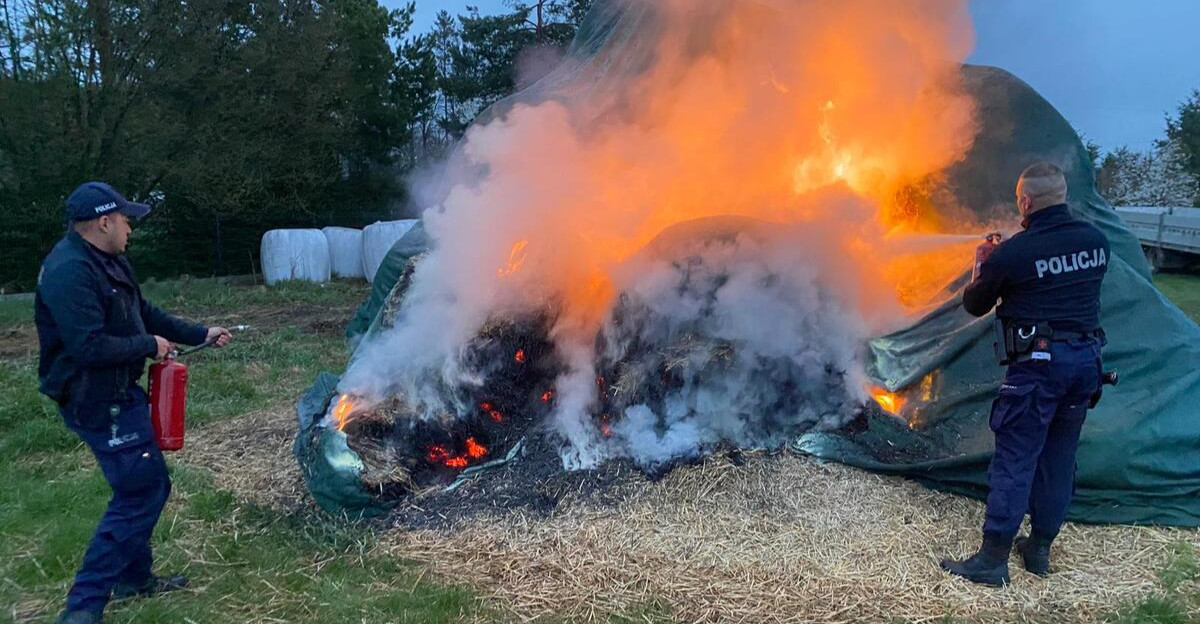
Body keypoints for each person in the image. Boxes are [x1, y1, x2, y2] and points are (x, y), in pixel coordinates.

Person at [35, 182, 234, 624]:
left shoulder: (109, 261)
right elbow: (88, 347)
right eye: (126, 219)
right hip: (93, 398)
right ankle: (83, 607)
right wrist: (149, 345)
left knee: (142, 484)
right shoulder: (70, 272)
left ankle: (134, 579)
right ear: (103, 221)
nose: (131, 227)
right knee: (142, 489)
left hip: (118, 391)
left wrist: (198, 332)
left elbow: (142, 312)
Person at [940, 162, 1109, 587]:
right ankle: (1039, 550)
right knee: (1059, 457)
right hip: (1086, 363)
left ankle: (992, 560)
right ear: (1063, 196)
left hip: (1039, 369)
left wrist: (983, 264)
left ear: (1027, 202)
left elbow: (976, 305)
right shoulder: (1097, 241)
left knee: (1015, 460)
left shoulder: (1016, 252)